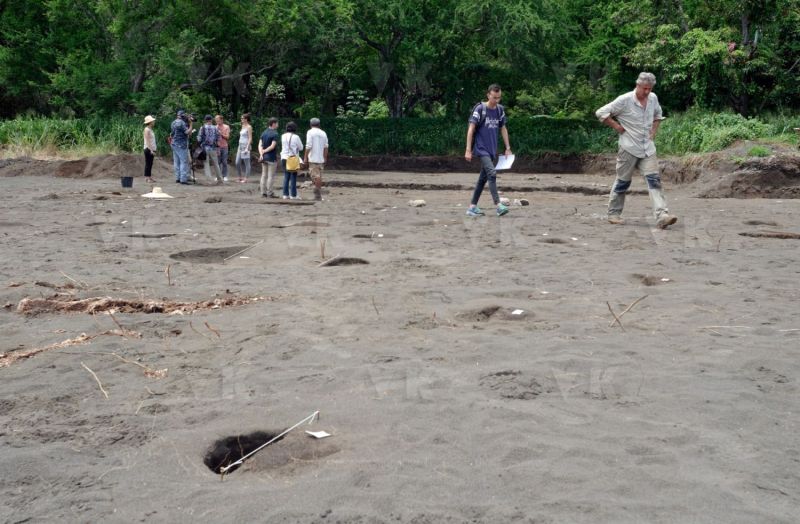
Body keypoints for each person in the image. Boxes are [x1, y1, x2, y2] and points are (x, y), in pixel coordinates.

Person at [595, 72, 678, 229]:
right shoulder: (624, 100)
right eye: (645, 88)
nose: (647, 92)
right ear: (637, 85)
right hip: (628, 148)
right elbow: (600, 113)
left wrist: (653, 132)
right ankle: (613, 213)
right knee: (623, 182)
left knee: (654, 180)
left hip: (648, 148)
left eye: (650, 89)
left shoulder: (653, 98)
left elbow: (658, 116)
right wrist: (617, 126)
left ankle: (662, 216)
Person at [464, 84, 512, 217]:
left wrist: (507, 148)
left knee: (482, 179)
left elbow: (503, 128)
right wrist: (468, 150)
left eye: (499, 98)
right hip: (481, 149)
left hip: (492, 150)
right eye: (494, 97)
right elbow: (471, 129)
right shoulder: (480, 109)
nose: (496, 100)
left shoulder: (500, 110)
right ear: (488, 95)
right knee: (492, 173)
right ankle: (498, 205)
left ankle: (472, 207)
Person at [304, 117, 329, 201]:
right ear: (319, 124)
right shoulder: (323, 133)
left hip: (313, 159)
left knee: (315, 176)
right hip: (321, 159)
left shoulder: (310, 132)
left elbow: (308, 146)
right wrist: (325, 157)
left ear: (311, 124)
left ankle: (317, 195)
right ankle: (318, 194)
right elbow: (326, 147)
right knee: (319, 176)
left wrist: (305, 157)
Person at [280, 121, 304, 199]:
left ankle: (285, 194)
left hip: (284, 157)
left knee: (286, 176)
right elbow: (301, 148)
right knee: (293, 177)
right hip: (292, 159)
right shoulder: (296, 137)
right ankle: (293, 195)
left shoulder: (283, 136)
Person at [198, 114, 223, 184]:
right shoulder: (215, 128)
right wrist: (217, 147)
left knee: (206, 164)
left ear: (205, 120)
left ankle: (209, 181)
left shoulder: (202, 128)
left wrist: (200, 143)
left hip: (205, 148)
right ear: (211, 120)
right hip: (213, 148)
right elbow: (219, 138)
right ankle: (220, 179)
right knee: (216, 164)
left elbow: (199, 138)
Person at [258, 117, 280, 197]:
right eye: (277, 123)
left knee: (264, 175)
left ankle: (263, 192)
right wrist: (265, 151)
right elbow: (272, 146)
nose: (278, 125)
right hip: (271, 157)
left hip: (263, 158)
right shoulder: (275, 133)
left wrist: (261, 153)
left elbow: (260, 144)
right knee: (271, 176)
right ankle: (270, 193)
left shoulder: (264, 132)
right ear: (273, 124)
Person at [170, 110, 193, 184]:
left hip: (174, 144)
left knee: (176, 162)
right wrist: (191, 124)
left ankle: (178, 178)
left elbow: (172, 134)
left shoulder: (173, 122)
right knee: (183, 162)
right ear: (182, 116)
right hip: (181, 144)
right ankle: (183, 179)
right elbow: (187, 132)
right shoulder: (182, 123)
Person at [235, 113, 253, 184]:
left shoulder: (249, 127)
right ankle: (240, 177)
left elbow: (250, 138)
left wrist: (247, 147)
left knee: (246, 163)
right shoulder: (242, 126)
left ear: (246, 119)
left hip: (246, 146)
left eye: (242, 118)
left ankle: (246, 178)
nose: (241, 119)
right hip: (240, 145)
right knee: (237, 162)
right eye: (241, 118)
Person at [215, 114, 231, 182]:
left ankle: (224, 176)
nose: (217, 122)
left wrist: (220, 133)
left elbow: (227, 137)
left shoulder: (226, 127)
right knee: (217, 162)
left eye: (218, 120)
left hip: (224, 146)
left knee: (224, 162)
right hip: (217, 147)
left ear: (222, 120)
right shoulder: (215, 127)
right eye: (216, 121)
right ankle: (218, 176)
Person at [143, 115, 157, 183]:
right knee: (148, 163)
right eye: (153, 121)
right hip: (148, 148)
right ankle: (147, 177)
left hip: (152, 148)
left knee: (150, 163)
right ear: (150, 122)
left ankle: (149, 177)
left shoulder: (150, 129)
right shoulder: (146, 129)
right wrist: (151, 150)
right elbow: (147, 140)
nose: (154, 122)